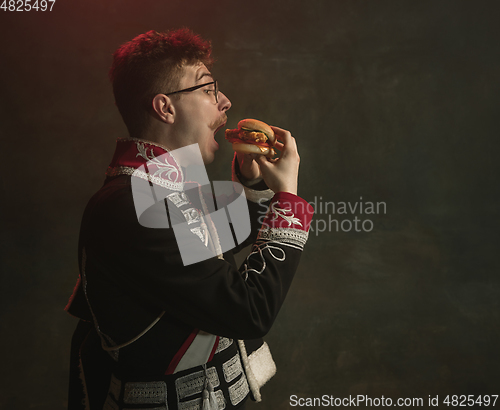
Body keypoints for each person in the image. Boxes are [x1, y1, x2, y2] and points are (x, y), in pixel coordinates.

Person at [65, 28, 314, 410]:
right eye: (208, 89)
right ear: (165, 107)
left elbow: (208, 255)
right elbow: (247, 310)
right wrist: (289, 200)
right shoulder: (131, 204)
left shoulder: (154, 187)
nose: (225, 102)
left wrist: (251, 182)